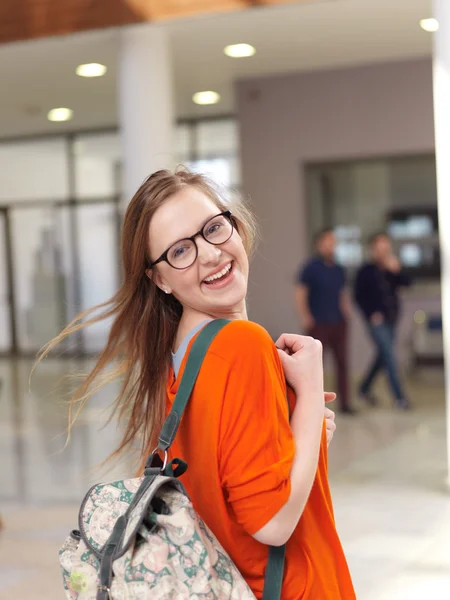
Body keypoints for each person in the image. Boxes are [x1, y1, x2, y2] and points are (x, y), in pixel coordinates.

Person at [38, 169, 355, 599]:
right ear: (159, 278)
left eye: (213, 228)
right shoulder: (241, 344)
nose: (209, 253)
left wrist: (304, 429)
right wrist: (312, 395)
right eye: (180, 251)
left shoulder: (178, 357)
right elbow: (273, 524)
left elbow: (222, 489)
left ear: (235, 225)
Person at [295, 228, 355, 415]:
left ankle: (345, 403)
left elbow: (342, 293)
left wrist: (346, 312)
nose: (331, 245)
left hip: (338, 321)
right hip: (319, 322)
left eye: (333, 241)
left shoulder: (338, 268)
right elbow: (300, 294)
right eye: (327, 241)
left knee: (342, 362)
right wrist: (306, 317)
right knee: (316, 365)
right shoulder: (310, 268)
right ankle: (314, 403)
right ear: (319, 244)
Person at [354, 232, 411, 409]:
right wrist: (371, 313)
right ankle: (400, 398)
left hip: (392, 318)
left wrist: (397, 270)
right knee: (389, 356)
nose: (383, 250)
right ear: (373, 249)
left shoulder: (391, 268)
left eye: (385, 246)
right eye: (379, 246)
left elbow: (408, 283)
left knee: (383, 356)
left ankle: (364, 388)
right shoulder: (365, 271)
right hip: (376, 321)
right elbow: (358, 296)